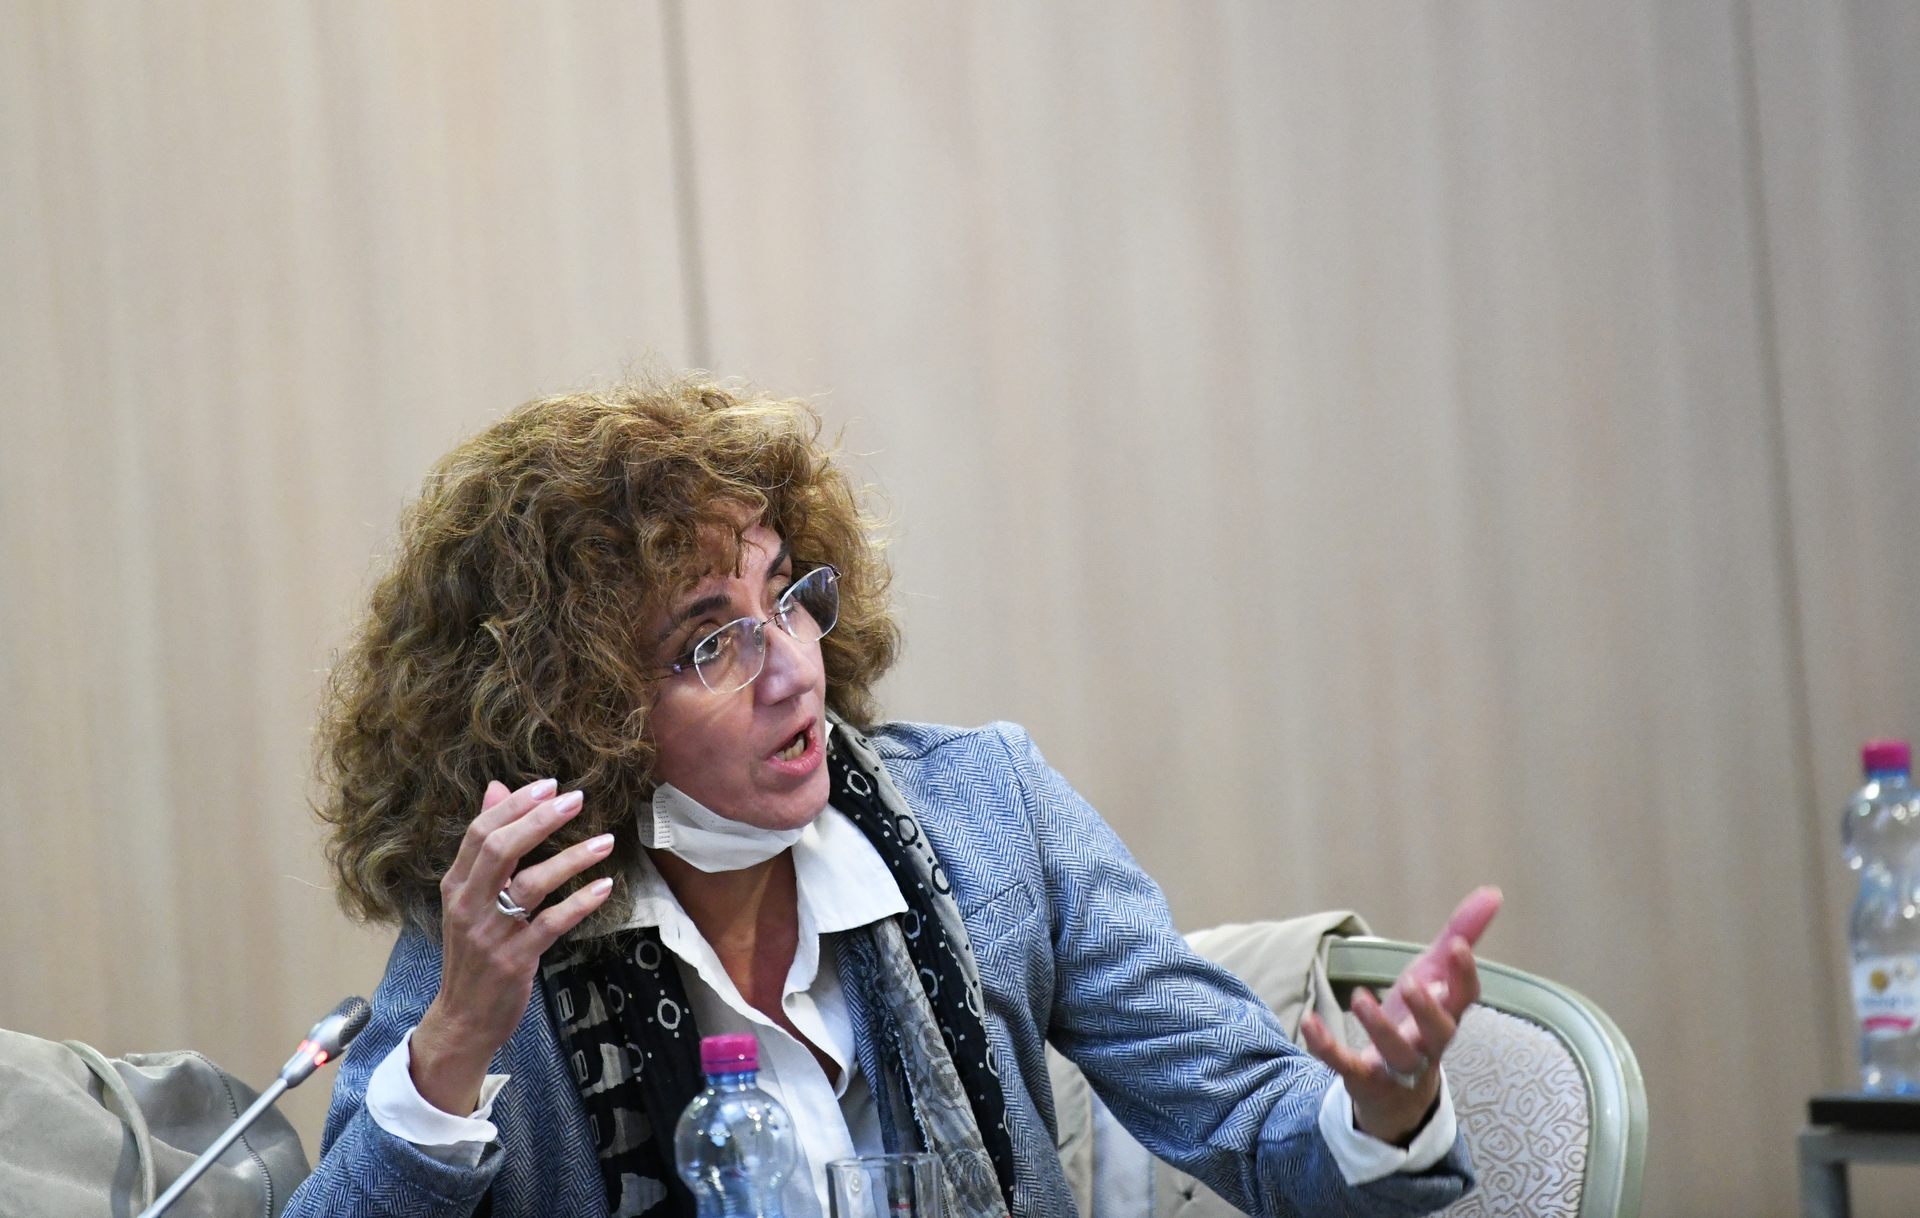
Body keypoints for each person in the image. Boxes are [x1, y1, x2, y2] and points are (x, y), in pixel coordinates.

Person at [285, 374, 1500, 1218]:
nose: (793, 670)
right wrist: (453, 1047)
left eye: (786, 598)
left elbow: (1256, 1123)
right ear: (576, 707)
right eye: (710, 644)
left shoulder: (988, 814)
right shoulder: (507, 940)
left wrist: (1382, 1115)